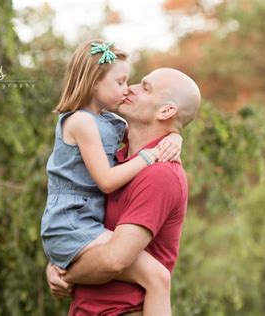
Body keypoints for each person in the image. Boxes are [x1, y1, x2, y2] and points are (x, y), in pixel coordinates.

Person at [40, 40, 184, 316]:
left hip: (84, 223)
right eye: (121, 82)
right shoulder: (81, 122)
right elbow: (106, 181)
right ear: (94, 82)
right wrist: (148, 157)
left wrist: (176, 136)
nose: (127, 88)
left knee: (158, 277)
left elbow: (158, 128)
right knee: (158, 277)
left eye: (133, 83)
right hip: (71, 221)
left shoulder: (112, 123)